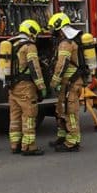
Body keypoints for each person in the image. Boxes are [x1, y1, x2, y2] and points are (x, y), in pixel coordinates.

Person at [47, 11, 86, 152]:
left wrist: (54, 82)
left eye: (54, 29)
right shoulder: (67, 41)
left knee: (70, 111)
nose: (52, 32)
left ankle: (72, 142)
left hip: (71, 82)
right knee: (60, 110)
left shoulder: (65, 44)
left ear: (60, 28)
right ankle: (62, 136)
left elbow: (62, 65)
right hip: (66, 83)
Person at [9, 19, 47, 156]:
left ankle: (15, 144)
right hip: (25, 87)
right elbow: (34, 68)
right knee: (29, 116)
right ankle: (29, 146)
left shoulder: (13, 44)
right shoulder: (29, 46)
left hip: (13, 87)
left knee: (15, 117)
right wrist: (41, 86)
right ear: (31, 32)